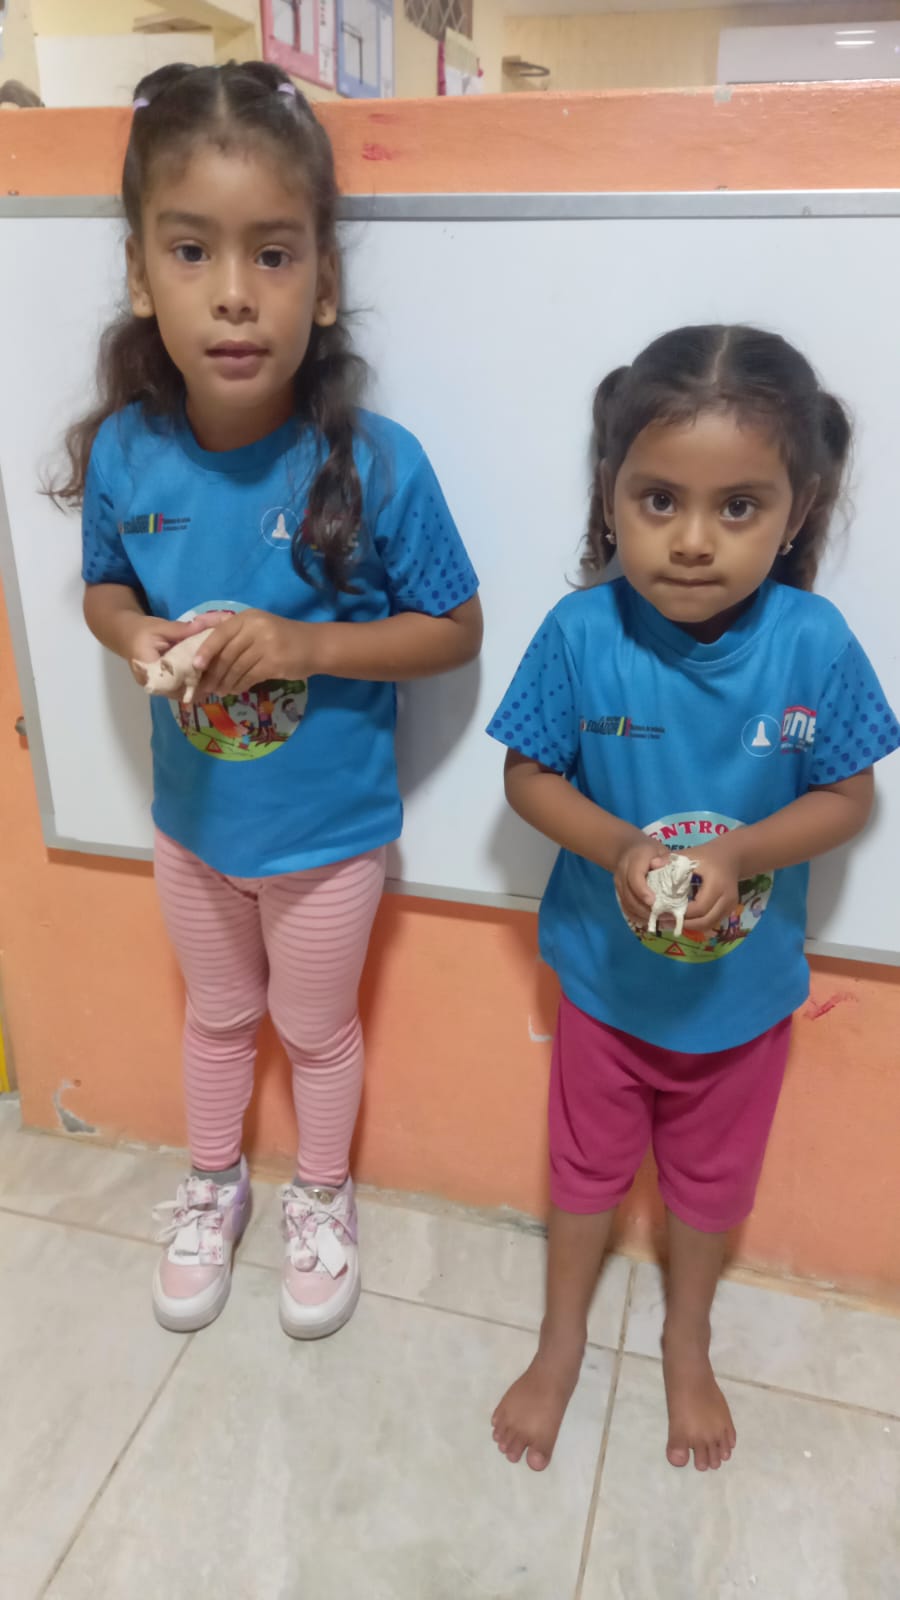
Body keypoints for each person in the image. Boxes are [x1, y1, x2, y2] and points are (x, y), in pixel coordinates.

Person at [59, 61, 482, 1338]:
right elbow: (103, 586)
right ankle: (213, 1185)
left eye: (275, 254)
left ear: (325, 282)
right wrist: (132, 635)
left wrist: (307, 647)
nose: (234, 292)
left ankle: (323, 1194)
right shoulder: (128, 450)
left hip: (327, 839)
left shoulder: (377, 464)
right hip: (192, 830)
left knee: (314, 1027)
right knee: (218, 1018)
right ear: (142, 274)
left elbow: (455, 630)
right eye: (192, 250)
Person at [487, 325, 900, 1474]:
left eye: (739, 506)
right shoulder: (580, 633)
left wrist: (744, 849)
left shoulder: (815, 644)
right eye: (659, 499)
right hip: (604, 987)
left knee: (711, 1186)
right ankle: (560, 1338)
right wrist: (620, 845)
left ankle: (688, 1339)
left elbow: (850, 796)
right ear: (610, 494)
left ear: (798, 511)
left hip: (742, 999)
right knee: (584, 1172)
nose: (692, 540)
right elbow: (526, 776)